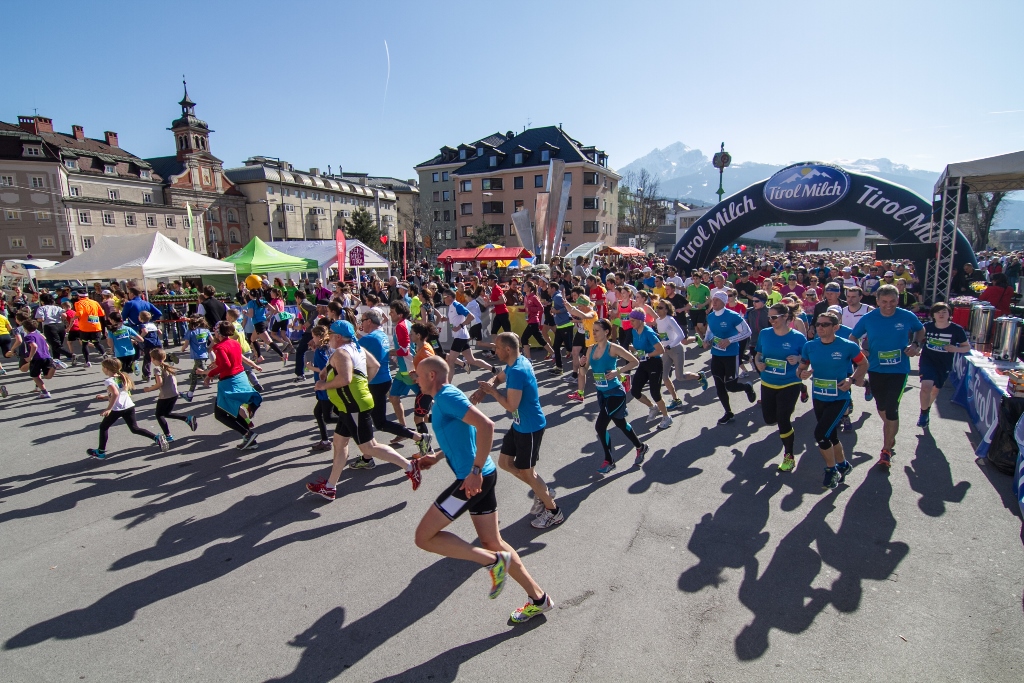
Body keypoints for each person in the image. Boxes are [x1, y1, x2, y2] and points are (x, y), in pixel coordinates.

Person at [412, 355, 554, 623]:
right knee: (493, 541)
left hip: (472, 481)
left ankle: (492, 561)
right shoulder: (445, 396)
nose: (415, 380)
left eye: (418, 375)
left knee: (424, 537)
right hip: (481, 476)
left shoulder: (446, 397)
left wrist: (474, 472)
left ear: (431, 376)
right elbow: (468, 432)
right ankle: (539, 598)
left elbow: (486, 426)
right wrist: (439, 456)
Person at [304, 320, 424, 500]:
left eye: (330, 335)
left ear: (337, 337)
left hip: (353, 406)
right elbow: (374, 365)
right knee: (339, 443)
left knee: (369, 447)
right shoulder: (357, 347)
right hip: (350, 404)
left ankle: (409, 467)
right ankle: (330, 487)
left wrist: (324, 385)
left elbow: (344, 379)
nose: (328, 339)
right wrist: (361, 384)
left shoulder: (342, 353)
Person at [473, 332, 562, 529]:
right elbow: (498, 377)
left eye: (496, 347)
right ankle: (544, 492)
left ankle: (553, 511)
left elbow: (511, 405)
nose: (494, 350)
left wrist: (492, 392)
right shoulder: (515, 363)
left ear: (507, 349)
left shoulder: (519, 370)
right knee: (505, 462)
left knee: (528, 473)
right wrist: (483, 389)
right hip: (519, 424)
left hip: (529, 427)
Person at [850, 284, 925, 468]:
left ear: (897, 300)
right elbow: (853, 337)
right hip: (875, 369)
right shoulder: (869, 318)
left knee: (892, 408)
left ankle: (886, 450)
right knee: (882, 408)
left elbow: (920, 330)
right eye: (884, 301)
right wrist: (860, 351)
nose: (888, 305)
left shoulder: (906, 316)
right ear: (877, 301)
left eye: (892, 301)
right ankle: (890, 433)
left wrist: (916, 344)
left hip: (899, 370)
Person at [798, 310, 869, 488]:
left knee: (820, 434)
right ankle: (844, 465)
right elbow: (801, 368)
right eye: (818, 325)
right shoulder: (810, 346)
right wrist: (802, 373)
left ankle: (831, 471)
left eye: (825, 325)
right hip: (819, 397)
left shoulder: (848, 346)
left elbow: (863, 364)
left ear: (835, 327)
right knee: (831, 435)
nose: (820, 328)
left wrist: (851, 379)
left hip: (839, 398)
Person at [582, 319, 649, 473]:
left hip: (615, 393)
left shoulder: (613, 348)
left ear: (606, 332)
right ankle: (641, 446)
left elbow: (635, 362)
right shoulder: (590, 349)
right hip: (601, 393)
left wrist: (617, 372)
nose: (594, 333)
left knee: (600, 426)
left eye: (597, 330)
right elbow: (584, 372)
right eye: (593, 331)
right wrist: (581, 365)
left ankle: (609, 461)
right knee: (620, 423)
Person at [754, 303, 807, 472]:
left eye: (774, 317)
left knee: (783, 419)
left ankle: (789, 456)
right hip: (768, 381)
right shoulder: (765, 334)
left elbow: (807, 359)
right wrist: (758, 363)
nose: (771, 320)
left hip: (790, 382)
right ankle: (782, 421)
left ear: (785, 317)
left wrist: (798, 359)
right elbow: (758, 354)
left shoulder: (798, 337)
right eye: (769, 317)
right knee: (770, 419)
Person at [87, 358, 167, 459]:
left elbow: (116, 394)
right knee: (135, 428)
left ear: (106, 369)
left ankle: (100, 452)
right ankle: (156, 438)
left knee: (103, 427)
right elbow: (121, 393)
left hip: (117, 408)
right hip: (129, 406)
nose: (102, 369)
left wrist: (109, 409)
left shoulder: (109, 381)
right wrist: (106, 397)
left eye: (103, 367)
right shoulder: (122, 376)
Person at [204, 321, 264, 450]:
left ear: (217, 332)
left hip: (229, 382)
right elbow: (234, 358)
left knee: (220, 414)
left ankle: (248, 434)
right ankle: (250, 439)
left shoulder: (219, 347)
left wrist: (210, 375)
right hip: (240, 377)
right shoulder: (234, 343)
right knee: (234, 410)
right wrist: (217, 362)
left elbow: (226, 365)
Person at [703, 291, 756, 424]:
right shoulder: (711, 316)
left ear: (724, 302)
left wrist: (730, 340)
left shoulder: (733, 316)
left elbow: (747, 332)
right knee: (719, 386)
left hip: (731, 355)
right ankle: (728, 412)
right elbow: (710, 332)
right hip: (716, 354)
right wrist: (706, 340)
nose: (713, 302)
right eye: (712, 300)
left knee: (731, 386)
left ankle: (747, 387)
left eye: (717, 300)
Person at [917, 302, 970, 427]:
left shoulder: (956, 329)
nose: (941, 315)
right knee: (926, 387)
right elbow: (918, 340)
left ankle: (927, 408)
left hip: (944, 363)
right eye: (938, 312)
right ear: (933, 315)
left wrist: (955, 349)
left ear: (949, 315)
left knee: (935, 390)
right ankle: (923, 413)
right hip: (927, 360)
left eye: (944, 312)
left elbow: (967, 347)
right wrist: (917, 347)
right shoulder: (927, 327)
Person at [627, 309, 673, 429]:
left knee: (655, 393)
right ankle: (653, 407)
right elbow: (640, 348)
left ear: (640, 320)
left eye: (633, 320)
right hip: (643, 364)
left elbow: (661, 350)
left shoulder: (648, 332)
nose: (630, 322)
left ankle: (666, 417)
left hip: (654, 363)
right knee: (635, 391)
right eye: (630, 320)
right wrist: (634, 350)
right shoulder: (634, 331)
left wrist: (646, 355)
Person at [141, 348, 198, 443]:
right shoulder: (168, 366)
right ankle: (187, 419)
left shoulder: (157, 369)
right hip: (174, 394)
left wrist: (149, 389)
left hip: (165, 396)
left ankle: (168, 435)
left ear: (152, 358)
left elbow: (160, 383)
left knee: (159, 415)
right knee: (166, 413)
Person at [441, 289, 496, 382]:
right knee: (472, 360)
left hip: (460, 336)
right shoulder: (451, 306)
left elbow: (471, 316)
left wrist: (460, 326)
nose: (443, 299)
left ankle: (447, 385)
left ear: (449, 297)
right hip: (461, 336)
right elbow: (455, 318)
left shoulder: (456, 305)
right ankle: (494, 369)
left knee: (450, 360)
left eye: (444, 297)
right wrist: (446, 319)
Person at [655, 299, 701, 408]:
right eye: (657, 307)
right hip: (666, 351)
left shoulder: (670, 319)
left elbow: (681, 335)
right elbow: (663, 335)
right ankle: (676, 400)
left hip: (676, 349)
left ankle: (699, 376)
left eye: (660, 308)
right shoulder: (658, 320)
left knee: (680, 377)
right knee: (664, 376)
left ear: (666, 310)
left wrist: (670, 345)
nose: (658, 309)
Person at [21, 319, 56, 398]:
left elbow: (34, 346)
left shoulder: (28, 337)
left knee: (35, 376)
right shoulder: (40, 335)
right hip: (47, 356)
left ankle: (45, 392)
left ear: (25, 328)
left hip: (36, 358)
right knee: (47, 376)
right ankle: (54, 366)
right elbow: (47, 346)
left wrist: (30, 357)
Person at [180, 316, 212, 402]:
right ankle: (189, 395)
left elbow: (186, 344)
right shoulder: (206, 331)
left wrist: (182, 349)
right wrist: (209, 348)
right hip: (204, 354)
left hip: (197, 356)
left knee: (206, 374)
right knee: (194, 375)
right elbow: (213, 340)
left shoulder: (190, 332)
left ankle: (221, 376)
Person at [520, 281, 554, 362]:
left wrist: (530, 309)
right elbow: (527, 309)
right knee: (541, 340)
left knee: (524, 339)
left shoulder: (534, 297)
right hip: (530, 321)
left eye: (525, 286)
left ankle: (529, 358)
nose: (523, 287)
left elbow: (541, 308)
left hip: (534, 321)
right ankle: (554, 354)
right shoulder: (526, 297)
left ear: (529, 288)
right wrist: (522, 310)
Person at [547, 281, 575, 377]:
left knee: (571, 348)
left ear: (553, 288)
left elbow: (567, 308)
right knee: (556, 347)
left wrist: (557, 311)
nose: (547, 289)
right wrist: (553, 311)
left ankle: (583, 367)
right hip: (560, 326)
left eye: (549, 288)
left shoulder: (558, 297)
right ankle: (559, 368)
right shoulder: (555, 297)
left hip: (566, 325)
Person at [72, 291, 106, 368]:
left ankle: (87, 361)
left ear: (79, 297)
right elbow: (101, 313)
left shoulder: (78, 303)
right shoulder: (95, 302)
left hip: (85, 328)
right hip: (96, 326)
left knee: (84, 344)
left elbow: (80, 313)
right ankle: (104, 354)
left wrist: (73, 318)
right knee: (96, 343)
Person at [107, 311, 145, 378]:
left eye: (110, 320)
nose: (110, 321)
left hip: (120, 353)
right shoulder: (127, 328)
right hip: (131, 352)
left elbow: (110, 344)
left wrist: (112, 348)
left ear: (113, 320)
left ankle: (124, 385)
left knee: (121, 372)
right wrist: (132, 340)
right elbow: (141, 339)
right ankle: (133, 365)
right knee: (128, 369)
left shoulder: (111, 331)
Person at [137, 311, 163, 382]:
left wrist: (139, 338)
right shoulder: (152, 324)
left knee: (147, 359)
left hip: (149, 344)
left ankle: (146, 375)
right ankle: (163, 371)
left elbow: (145, 331)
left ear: (141, 318)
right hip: (157, 343)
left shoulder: (142, 325)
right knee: (159, 357)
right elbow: (160, 332)